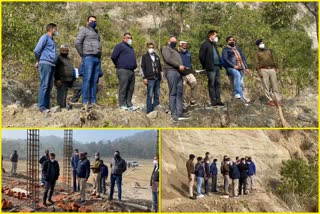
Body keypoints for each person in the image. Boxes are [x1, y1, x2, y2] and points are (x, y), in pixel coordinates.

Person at [75, 15, 102, 110]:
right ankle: (85, 101)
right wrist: (83, 54)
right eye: (91, 21)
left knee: (94, 81)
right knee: (87, 79)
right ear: (87, 22)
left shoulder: (97, 32)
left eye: (95, 21)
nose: (93, 22)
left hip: (97, 59)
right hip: (88, 57)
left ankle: (93, 102)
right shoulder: (83, 30)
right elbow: (77, 43)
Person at [162, 35, 189, 121]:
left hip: (179, 73)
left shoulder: (176, 51)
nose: (174, 42)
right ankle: (173, 114)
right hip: (171, 72)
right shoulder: (166, 49)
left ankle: (179, 113)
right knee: (173, 93)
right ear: (168, 41)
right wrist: (178, 65)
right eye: (173, 41)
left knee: (179, 93)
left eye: (175, 41)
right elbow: (168, 59)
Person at [34, 23, 58, 113]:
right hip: (45, 63)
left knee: (49, 86)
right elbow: (37, 50)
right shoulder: (44, 37)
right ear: (51, 29)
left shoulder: (52, 40)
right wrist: (39, 60)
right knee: (44, 85)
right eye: (55, 29)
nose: (56, 31)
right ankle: (42, 107)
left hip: (52, 64)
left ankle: (47, 106)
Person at [111, 32, 138, 111]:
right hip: (123, 70)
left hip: (131, 71)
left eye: (130, 38)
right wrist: (119, 65)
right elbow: (113, 57)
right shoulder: (120, 46)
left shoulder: (131, 48)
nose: (129, 39)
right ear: (123, 38)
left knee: (130, 88)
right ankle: (122, 104)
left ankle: (129, 104)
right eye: (127, 38)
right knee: (123, 87)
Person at [199, 30, 224, 106]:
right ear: (211, 36)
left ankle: (218, 99)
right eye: (215, 35)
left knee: (218, 83)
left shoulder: (214, 44)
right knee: (211, 84)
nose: (216, 37)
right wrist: (206, 65)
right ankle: (213, 100)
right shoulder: (205, 44)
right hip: (210, 67)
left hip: (217, 66)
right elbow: (201, 56)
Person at [222, 36, 250, 101]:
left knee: (240, 83)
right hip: (231, 67)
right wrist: (233, 66)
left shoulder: (237, 48)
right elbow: (225, 59)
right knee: (237, 75)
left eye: (233, 40)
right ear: (227, 41)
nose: (232, 41)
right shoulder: (225, 49)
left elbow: (243, 58)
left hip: (240, 67)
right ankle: (237, 93)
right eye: (230, 40)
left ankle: (241, 98)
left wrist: (246, 67)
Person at [254, 39, 281, 106]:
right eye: (260, 43)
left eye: (263, 43)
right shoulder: (257, 53)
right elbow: (256, 63)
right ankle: (270, 100)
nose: (262, 44)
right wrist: (259, 71)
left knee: (275, 85)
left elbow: (273, 59)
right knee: (266, 85)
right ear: (258, 45)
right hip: (263, 70)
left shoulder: (269, 51)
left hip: (271, 69)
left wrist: (276, 67)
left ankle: (278, 99)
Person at [141, 42, 163, 113]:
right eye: (150, 47)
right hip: (150, 79)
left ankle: (156, 109)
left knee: (157, 94)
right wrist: (144, 77)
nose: (151, 49)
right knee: (150, 95)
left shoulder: (157, 57)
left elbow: (160, 68)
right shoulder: (144, 57)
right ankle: (149, 110)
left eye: (152, 47)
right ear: (147, 48)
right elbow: (142, 67)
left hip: (157, 78)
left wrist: (161, 77)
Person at [178, 41, 198, 105]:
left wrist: (192, 70)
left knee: (194, 83)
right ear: (180, 45)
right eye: (183, 44)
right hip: (181, 74)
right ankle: (182, 102)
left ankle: (193, 100)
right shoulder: (177, 53)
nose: (185, 45)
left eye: (186, 44)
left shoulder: (188, 52)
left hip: (189, 72)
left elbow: (190, 61)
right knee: (182, 87)